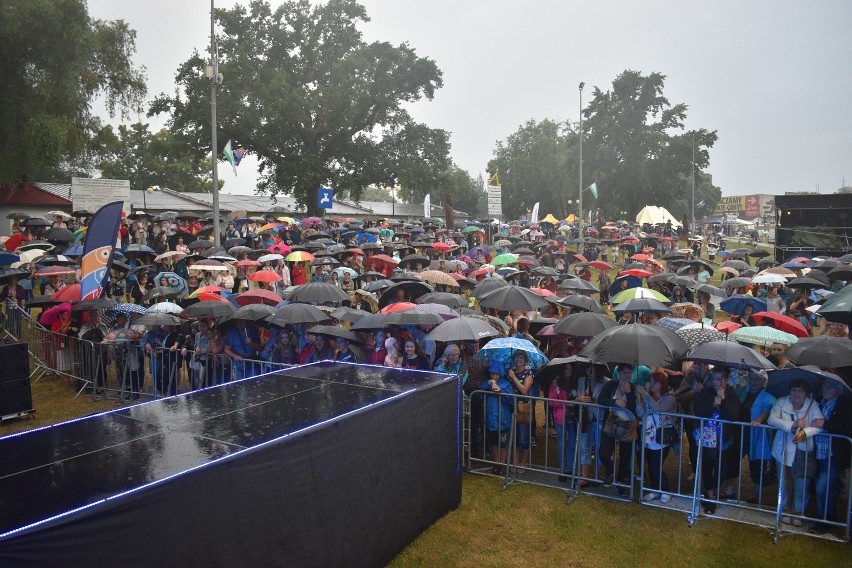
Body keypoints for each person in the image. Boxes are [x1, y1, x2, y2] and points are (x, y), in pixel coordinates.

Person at [768, 379, 824, 527]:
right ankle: (785, 509)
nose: (796, 393)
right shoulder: (781, 402)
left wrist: (805, 432)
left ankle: (798, 511)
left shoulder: (813, 405)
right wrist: (792, 425)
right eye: (794, 390)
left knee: (801, 484)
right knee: (785, 482)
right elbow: (771, 420)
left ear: (806, 393)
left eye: (800, 391)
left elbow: (819, 425)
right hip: (783, 449)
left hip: (804, 451)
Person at [693, 366, 740, 515]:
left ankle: (712, 491)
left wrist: (724, 400)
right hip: (707, 434)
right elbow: (698, 411)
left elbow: (734, 415)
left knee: (720, 467)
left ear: (726, 380)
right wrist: (712, 404)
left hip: (723, 436)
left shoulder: (731, 393)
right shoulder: (706, 392)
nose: (715, 382)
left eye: (719, 379)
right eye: (713, 378)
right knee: (707, 465)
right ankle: (709, 495)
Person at [810, 376, 852, 534]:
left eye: (830, 387)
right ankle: (827, 517)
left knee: (823, 487)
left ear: (839, 390)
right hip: (818, 451)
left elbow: (848, 429)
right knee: (821, 486)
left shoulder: (845, 405)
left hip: (833, 454)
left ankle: (826, 521)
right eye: (825, 386)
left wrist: (825, 424)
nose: (825, 389)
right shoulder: (820, 401)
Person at [636, 370, 677, 502]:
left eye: (655, 381)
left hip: (663, 437)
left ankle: (665, 491)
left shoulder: (669, 399)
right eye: (650, 381)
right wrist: (639, 400)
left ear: (662, 384)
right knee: (650, 465)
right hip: (648, 436)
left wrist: (646, 395)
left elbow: (658, 409)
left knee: (655, 465)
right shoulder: (648, 397)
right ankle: (656, 490)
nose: (651, 384)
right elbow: (641, 413)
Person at [738, 371, 777, 504]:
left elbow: (767, 410)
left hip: (758, 436)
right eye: (751, 379)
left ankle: (757, 496)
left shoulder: (768, 397)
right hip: (742, 433)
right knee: (731, 460)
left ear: (763, 382)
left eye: (756, 380)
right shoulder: (744, 391)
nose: (753, 382)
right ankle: (729, 489)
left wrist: (759, 420)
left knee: (757, 466)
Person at [482, 361, 514, 475]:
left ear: (501, 374)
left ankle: (503, 464)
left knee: (503, 443)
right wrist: (488, 387)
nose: (494, 376)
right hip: (491, 420)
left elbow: (511, 401)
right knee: (494, 442)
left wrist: (501, 392)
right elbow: (480, 395)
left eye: (496, 374)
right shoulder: (487, 383)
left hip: (503, 419)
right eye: (492, 374)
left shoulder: (506, 385)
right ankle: (496, 463)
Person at [548, 364, 579, 482]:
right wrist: (566, 403)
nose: (569, 371)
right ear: (563, 369)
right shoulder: (555, 383)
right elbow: (551, 401)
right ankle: (562, 469)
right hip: (560, 417)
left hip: (574, 417)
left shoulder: (577, 382)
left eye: (571, 368)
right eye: (566, 368)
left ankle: (570, 469)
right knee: (562, 443)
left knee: (571, 443)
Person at [506, 352, 535, 468]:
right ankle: (516, 462)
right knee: (514, 437)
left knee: (523, 437)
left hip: (523, 409)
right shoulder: (510, 372)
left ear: (525, 360)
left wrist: (514, 377)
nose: (519, 360)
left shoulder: (529, 373)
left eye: (521, 358)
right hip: (511, 407)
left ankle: (524, 462)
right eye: (517, 357)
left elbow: (524, 390)